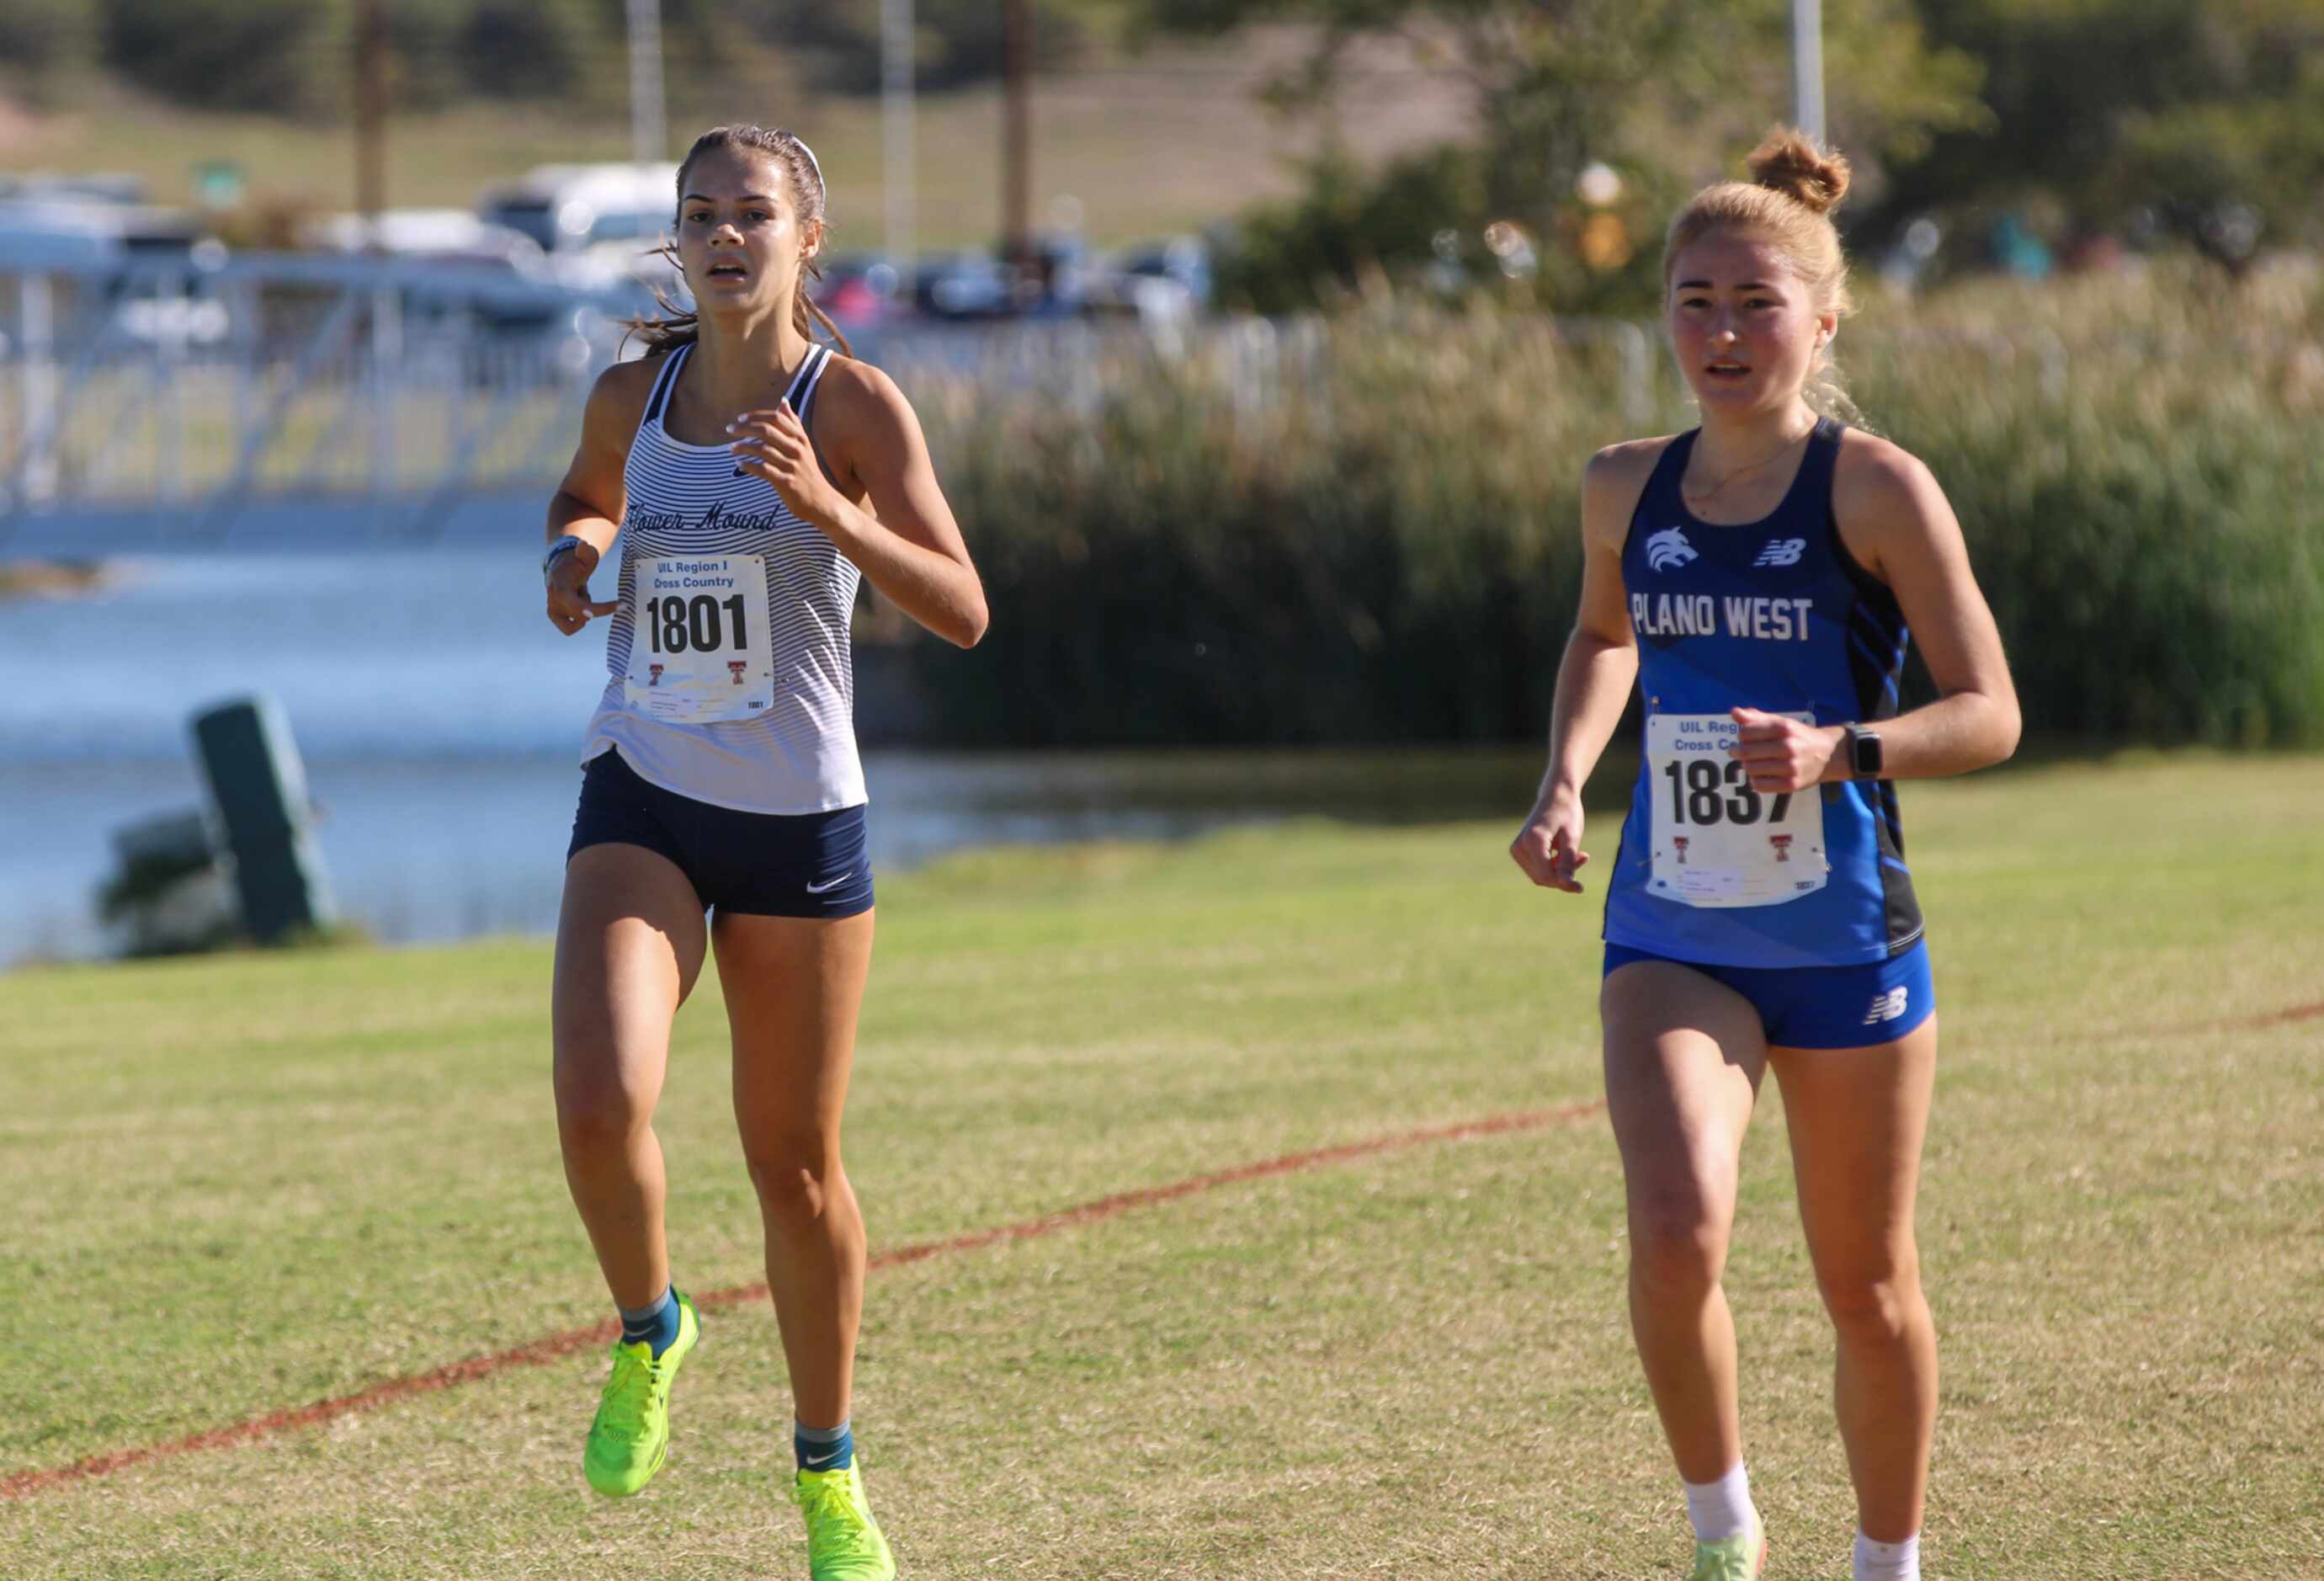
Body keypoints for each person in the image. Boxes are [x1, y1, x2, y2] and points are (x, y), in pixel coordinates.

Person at [1509, 129, 2019, 1581]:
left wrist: (1839, 749)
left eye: (1753, 303)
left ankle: (1886, 1559)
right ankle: (1722, 1532)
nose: (1721, 334)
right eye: (1692, 302)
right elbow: (1606, 635)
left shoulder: (1877, 490)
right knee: (1675, 1234)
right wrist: (1561, 780)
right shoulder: (1623, 486)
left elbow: (1991, 712)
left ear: (1822, 318)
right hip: (1672, 926)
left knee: (1864, 1286)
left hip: (1848, 934)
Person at [540, 123, 987, 1580]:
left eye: (751, 215)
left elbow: (963, 608)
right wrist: (575, 555)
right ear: (676, 242)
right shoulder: (636, 390)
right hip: (647, 788)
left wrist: (827, 508)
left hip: (796, 817)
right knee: (601, 1099)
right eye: (699, 216)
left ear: (806, 239)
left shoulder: (847, 401)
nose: (724, 237)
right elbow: (583, 495)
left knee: (793, 1169)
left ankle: (827, 1467)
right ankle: (652, 1323)